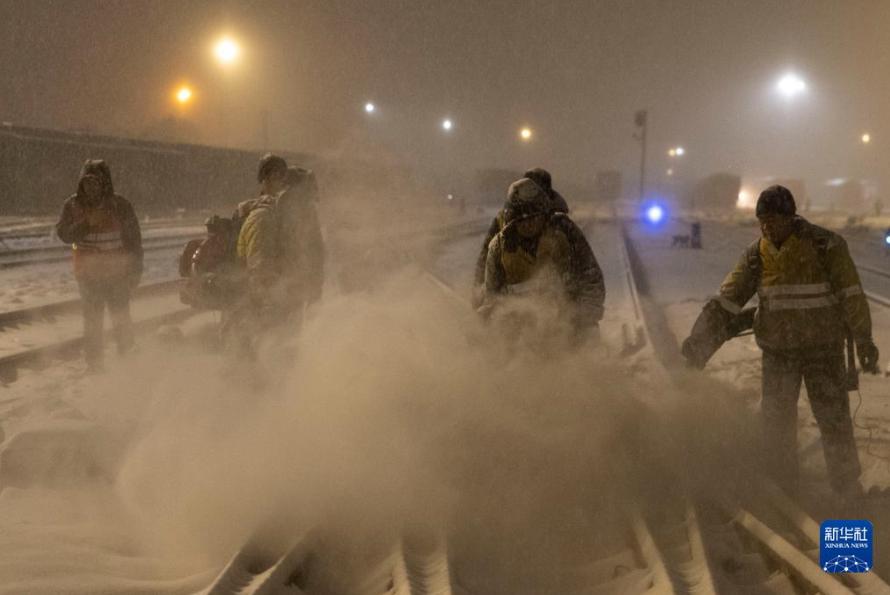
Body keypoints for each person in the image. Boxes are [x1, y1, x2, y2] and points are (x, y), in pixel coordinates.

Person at [681, 185, 880, 501]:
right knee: (776, 422)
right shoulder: (756, 256)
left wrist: (864, 340)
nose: (766, 227)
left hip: (823, 350)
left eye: (772, 220)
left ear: (791, 217)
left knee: (833, 419)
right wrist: (697, 344)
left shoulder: (826, 246)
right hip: (778, 353)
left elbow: (852, 296)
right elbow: (727, 302)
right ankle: (783, 486)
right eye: (762, 221)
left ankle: (846, 487)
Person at [224, 154, 325, 362]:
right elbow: (260, 264)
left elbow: (312, 254)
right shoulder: (264, 216)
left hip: (279, 296)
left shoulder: (277, 216)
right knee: (270, 349)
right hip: (269, 297)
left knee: (277, 348)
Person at [479, 177, 604, 344]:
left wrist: (582, 318)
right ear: (512, 221)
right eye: (522, 220)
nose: (529, 224)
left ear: (544, 215)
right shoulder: (499, 248)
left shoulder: (565, 233)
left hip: (568, 321)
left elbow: (591, 278)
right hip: (521, 331)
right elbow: (493, 298)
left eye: (534, 217)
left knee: (589, 343)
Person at [55, 159, 143, 372]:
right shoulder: (73, 205)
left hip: (117, 275)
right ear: (81, 183)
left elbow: (134, 242)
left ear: (105, 183)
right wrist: (87, 224)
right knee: (93, 322)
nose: (91, 187)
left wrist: (135, 270)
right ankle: (95, 365)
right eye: (87, 182)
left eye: (96, 182)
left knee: (120, 317)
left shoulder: (120, 206)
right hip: (88, 275)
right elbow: (63, 234)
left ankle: (127, 359)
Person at [473, 168, 569, 293]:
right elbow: (487, 254)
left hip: (549, 294)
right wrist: (479, 286)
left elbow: (572, 265)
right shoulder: (503, 219)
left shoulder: (558, 220)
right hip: (514, 290)